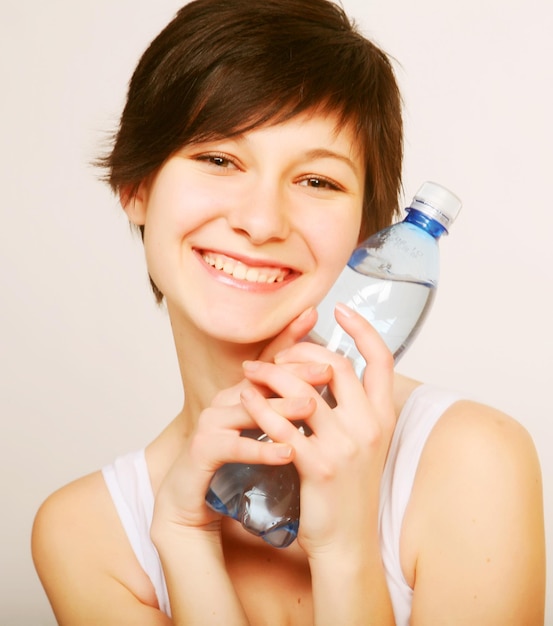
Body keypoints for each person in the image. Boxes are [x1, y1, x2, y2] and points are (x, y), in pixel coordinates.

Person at [31, 0, 545, 624]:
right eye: (219, 159)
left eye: (317, 182)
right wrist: (183, 539)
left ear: (368, 231)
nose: (260, 221)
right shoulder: (88, 536)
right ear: (135, 187)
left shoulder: (470, 461)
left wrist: (344, 549)